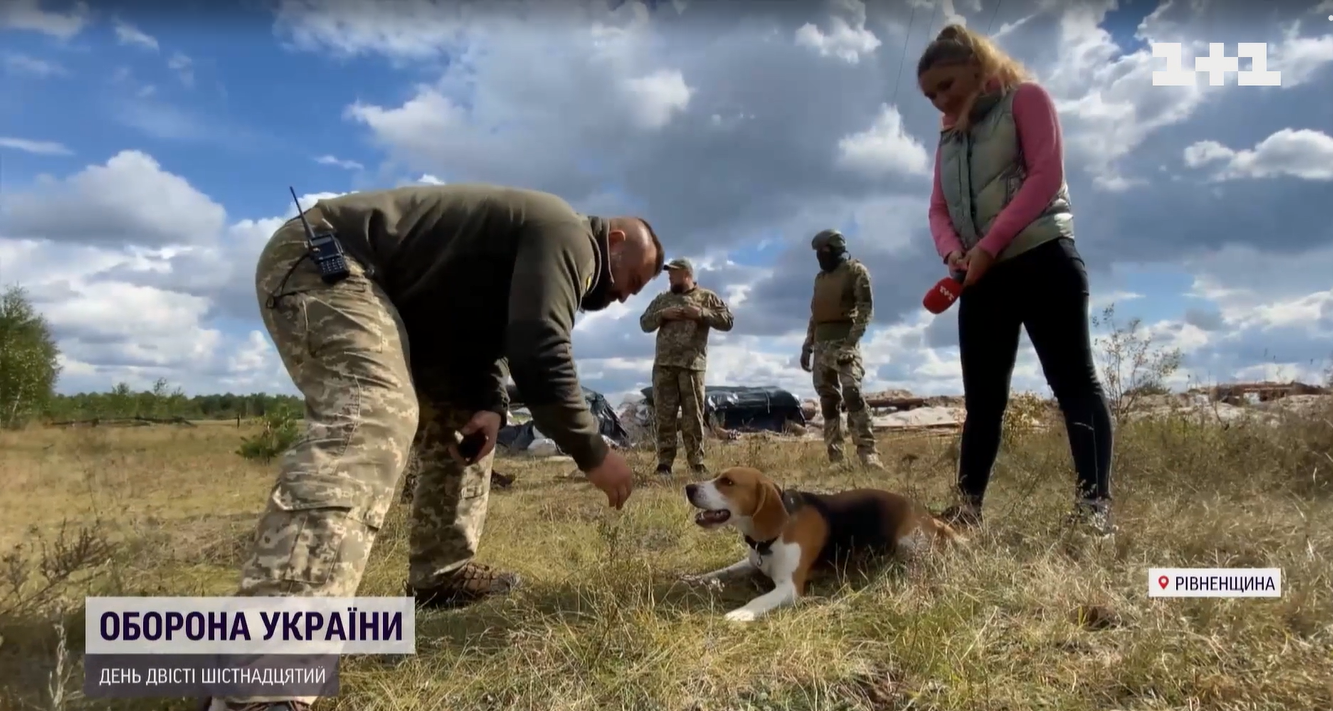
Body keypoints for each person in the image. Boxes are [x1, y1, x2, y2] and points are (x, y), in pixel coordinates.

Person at [210, 184, 660, 711]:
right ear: (616, 239)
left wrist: (491, 405)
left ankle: (441, 576)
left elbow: (484, 335)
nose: (628, 296)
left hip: (391, 300)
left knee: (463, 426)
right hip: (327, 260)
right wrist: (592, 452)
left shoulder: (535, 248)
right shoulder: (567, 233)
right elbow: (540, 345)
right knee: (373, 411)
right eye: (633, 279)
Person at [917, 24, 1115, 536]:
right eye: (930, 94)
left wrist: (990, 243)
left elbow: (1045, 176)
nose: (940, 99)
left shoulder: (1026, 98)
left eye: (946, 84)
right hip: (979, 277)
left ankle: (1095, 509)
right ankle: (966, 512)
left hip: (1042, 257)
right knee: (982, 402)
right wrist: (953, 252)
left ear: (977, 65)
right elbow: (938, 209)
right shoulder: (949, 135)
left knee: (1073, 384)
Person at [639, 257, 734, 477]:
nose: (669, 277)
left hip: (692, 366)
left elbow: (728, 321)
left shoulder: (706, 297)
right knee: (665, 416)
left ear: (687, 275)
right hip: (664, 366)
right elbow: (644, 323)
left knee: (693, 416)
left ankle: (696, 461)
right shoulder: (663, 299)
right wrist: (662, 315)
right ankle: (664, 463)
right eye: (669, 273)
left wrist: (700, 314)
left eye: (673, 273)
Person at [800, 229, 884, 470]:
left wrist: (850, 344)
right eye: (817, 253)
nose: (820, 257)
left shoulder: (856, 271)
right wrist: (808, 345)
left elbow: (865, 310)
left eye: (823, 252)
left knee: (852, 393)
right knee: (828, 401)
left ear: (836, 249)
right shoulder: (820, 279)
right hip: (821, 345)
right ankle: (835, 456)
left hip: (844, 343)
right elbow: (815, 315)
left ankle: (868, 453)